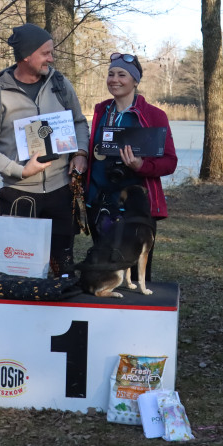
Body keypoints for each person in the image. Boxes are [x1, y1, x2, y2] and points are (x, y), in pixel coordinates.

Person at [0, 23, 89, 275]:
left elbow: (78, 122)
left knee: (63, 269)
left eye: (51, 52)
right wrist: (20, 171)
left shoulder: (59, 83)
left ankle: (60, 310)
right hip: (19, 194)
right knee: (20, 272)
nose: (51, 57)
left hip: (61, 191)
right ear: (26, 55)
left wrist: (80, 154)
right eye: (45, 52)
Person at [85, 52, 177, 281]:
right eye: (111, 74)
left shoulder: (153, 115)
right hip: (100, 206)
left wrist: (141, 165)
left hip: (136, 211)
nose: (114, 79)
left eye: (122, 75)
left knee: (135, 276)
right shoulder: (101, 111)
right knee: (104, 269)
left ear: (135, 81)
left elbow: (169, 161)